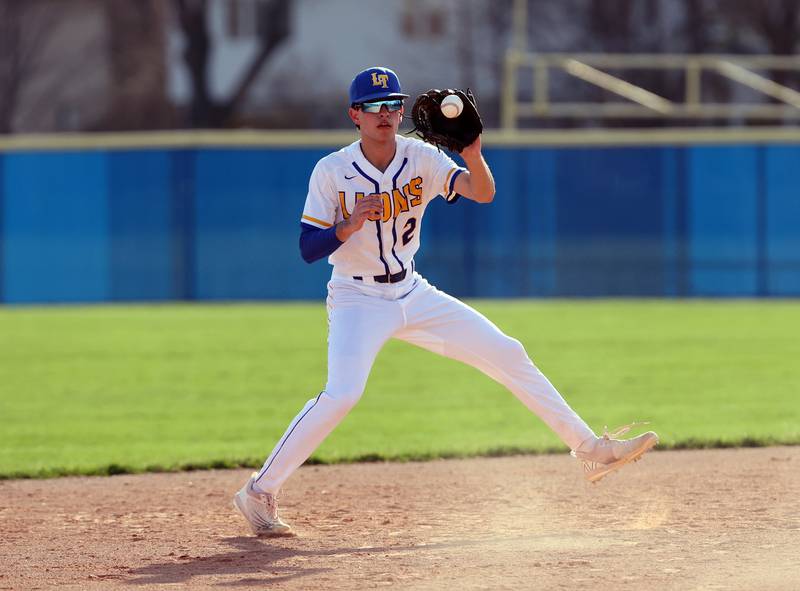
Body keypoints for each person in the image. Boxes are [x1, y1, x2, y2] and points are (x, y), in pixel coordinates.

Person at [233, 66, 658, 536]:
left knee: (507, 351)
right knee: (343, 394)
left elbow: (482, 192)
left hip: (413, 292)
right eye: (373, 107)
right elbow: (307, 248)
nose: (385, 114)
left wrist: (473, 155)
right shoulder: (332, 171)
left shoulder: (421, 157)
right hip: (357, 296)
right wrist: (346, 226)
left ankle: (589, 449)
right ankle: (258, 492)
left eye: (393, 104)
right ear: (354, 114)